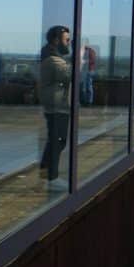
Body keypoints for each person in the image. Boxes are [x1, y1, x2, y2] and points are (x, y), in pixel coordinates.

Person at [39, 25, 72, 191]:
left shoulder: (52, 56)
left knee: (55, 141)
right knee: (58, 142)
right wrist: (80, 60)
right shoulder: (53, 59)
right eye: (67, 40)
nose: (69, 43)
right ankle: (52, 178)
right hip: (56, 106)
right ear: (56, 40)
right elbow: (69, 76)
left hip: (56, 105)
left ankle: (45, 176)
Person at [79, 39, 96, 106]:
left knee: (88, 86)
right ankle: (85, 101)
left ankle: (88, 101)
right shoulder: (84, 50)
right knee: (85, 86)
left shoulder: (90, 51)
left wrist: (84, 61)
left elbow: (92, 60)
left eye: (83, 43)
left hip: (88, 71)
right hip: (85, 70)